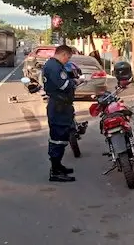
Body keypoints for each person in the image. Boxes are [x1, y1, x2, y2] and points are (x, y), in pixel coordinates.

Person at [42, 45, 84, 182]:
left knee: (62, 136)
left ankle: (58, 165)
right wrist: (76, 81)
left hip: (61, 106)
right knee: (58, 138)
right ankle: (55, 171)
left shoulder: (52, 65)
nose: (68, 60)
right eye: (69, 58)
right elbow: (64, 85)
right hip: (59, 107)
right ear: (64, 54)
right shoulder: (54, 67)